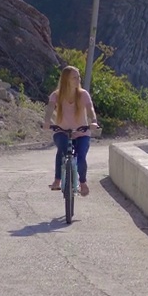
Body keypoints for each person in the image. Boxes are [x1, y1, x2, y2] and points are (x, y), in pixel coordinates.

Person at [43, 65, 99, 197]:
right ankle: (57, 180)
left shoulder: (83, 94)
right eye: (74, 77)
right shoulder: (56, 95)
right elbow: (50, 109)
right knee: (62, 151)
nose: (78, 79)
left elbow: (90, 109)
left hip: (82, 132)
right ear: (66, 80)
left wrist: (94, 121)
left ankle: (83, 183)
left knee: (81, 157)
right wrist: (47, 122)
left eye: (78, 76)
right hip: (62, 131)